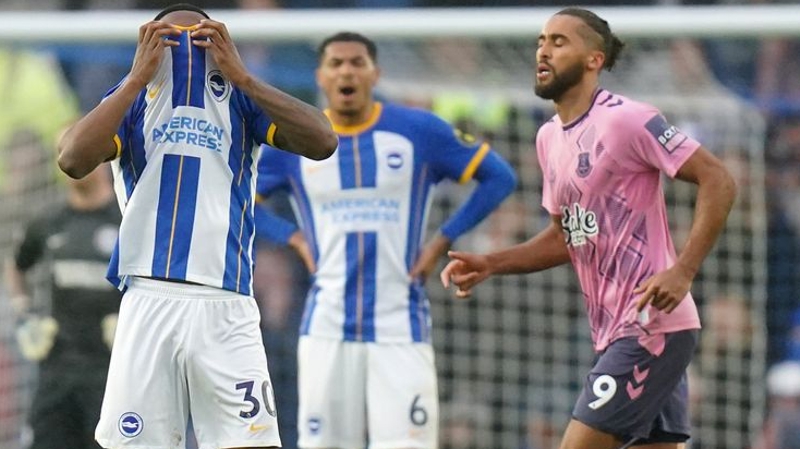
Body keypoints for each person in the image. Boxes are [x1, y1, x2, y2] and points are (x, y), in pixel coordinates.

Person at [440, 8, 737, 449]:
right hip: (613, 330)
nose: (543, 50)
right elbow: (566, 237)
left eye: (559, 42)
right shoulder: (548, 138)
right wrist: (491, 262)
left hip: (649, 326)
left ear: (594, 59)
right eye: (541, 41)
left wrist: (683, 269)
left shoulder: (627, 119)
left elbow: (719, 179)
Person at [56, 3, 337, 449]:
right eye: (169, 38)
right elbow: (72, 159)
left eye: (198, 36)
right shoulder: (128, 101)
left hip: (227, 305)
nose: (185, 45)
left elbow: (323, 140)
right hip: (149, 300)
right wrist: (134, 78)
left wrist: (243, 76)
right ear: (148, 42)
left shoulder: (243, 98)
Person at [255, 31, 516, 449]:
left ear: (375, 73)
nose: (347, 71)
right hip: (326, 326)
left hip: (400, 323)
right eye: (336, 63)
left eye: (357, 62)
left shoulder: (417, 131)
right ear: (320, 77)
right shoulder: (295, 142)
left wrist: (441, 240)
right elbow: (238, 202)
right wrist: (293, 238)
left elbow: (499, 178)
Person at [4, 164, 120, 449]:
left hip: (112, 370)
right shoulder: (50, 220)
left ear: (102, 161)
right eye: (65, 154)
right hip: (58, 367)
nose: (72, 162)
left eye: (81, 153)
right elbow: (16, 265)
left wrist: (134, 323)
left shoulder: (126, 220)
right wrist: (25, 312)